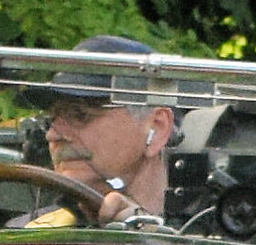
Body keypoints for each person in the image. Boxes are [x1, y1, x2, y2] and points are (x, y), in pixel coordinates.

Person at [20, 35, 177, 226]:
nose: (53, 135)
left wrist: (150, 234)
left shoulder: (214, 242)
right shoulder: (31, 235)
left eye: (81, 115)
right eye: (50, 119)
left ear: (157, 128)